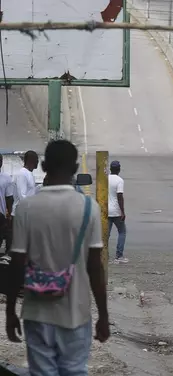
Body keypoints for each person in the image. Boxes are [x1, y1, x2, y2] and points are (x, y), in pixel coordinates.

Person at [5, 140, 110, 375]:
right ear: (75, 169)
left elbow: (17, 265)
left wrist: (10, 311)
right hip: (75, 313)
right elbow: (95, 267)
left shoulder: (27, 208)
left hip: (36, 313)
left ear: (43, 165)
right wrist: (103, 315)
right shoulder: (88, 208)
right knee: (74, 370)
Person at [108, 161, 128, 264]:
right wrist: (122, 212)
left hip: (105, 210)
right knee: (122, 232)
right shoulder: (119, 181)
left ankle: (104, 255)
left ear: (110, 169)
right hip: (116, 211)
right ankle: (119, 255)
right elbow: (120, 197)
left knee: (106, 234)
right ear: (119, 169)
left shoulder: (105, 178)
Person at [0, 155, 13, 256]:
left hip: (1, 215)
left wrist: (9, 214)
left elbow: (9, 198)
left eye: (0, 160)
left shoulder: (6, 178)